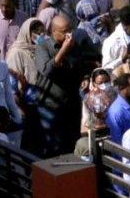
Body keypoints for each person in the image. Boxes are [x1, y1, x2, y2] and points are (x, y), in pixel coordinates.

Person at [36, 15, 99, 157]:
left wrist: (85, 77)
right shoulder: (43, 47)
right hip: (50, 105)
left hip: (71, 103)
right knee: (55, 145)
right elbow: (47, 71)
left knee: (72, 142)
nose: (69, 34)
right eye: (65, 31)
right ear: (54, 31)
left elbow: (82, 65)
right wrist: (63, 50)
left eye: (70, 30)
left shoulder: (74, 46)